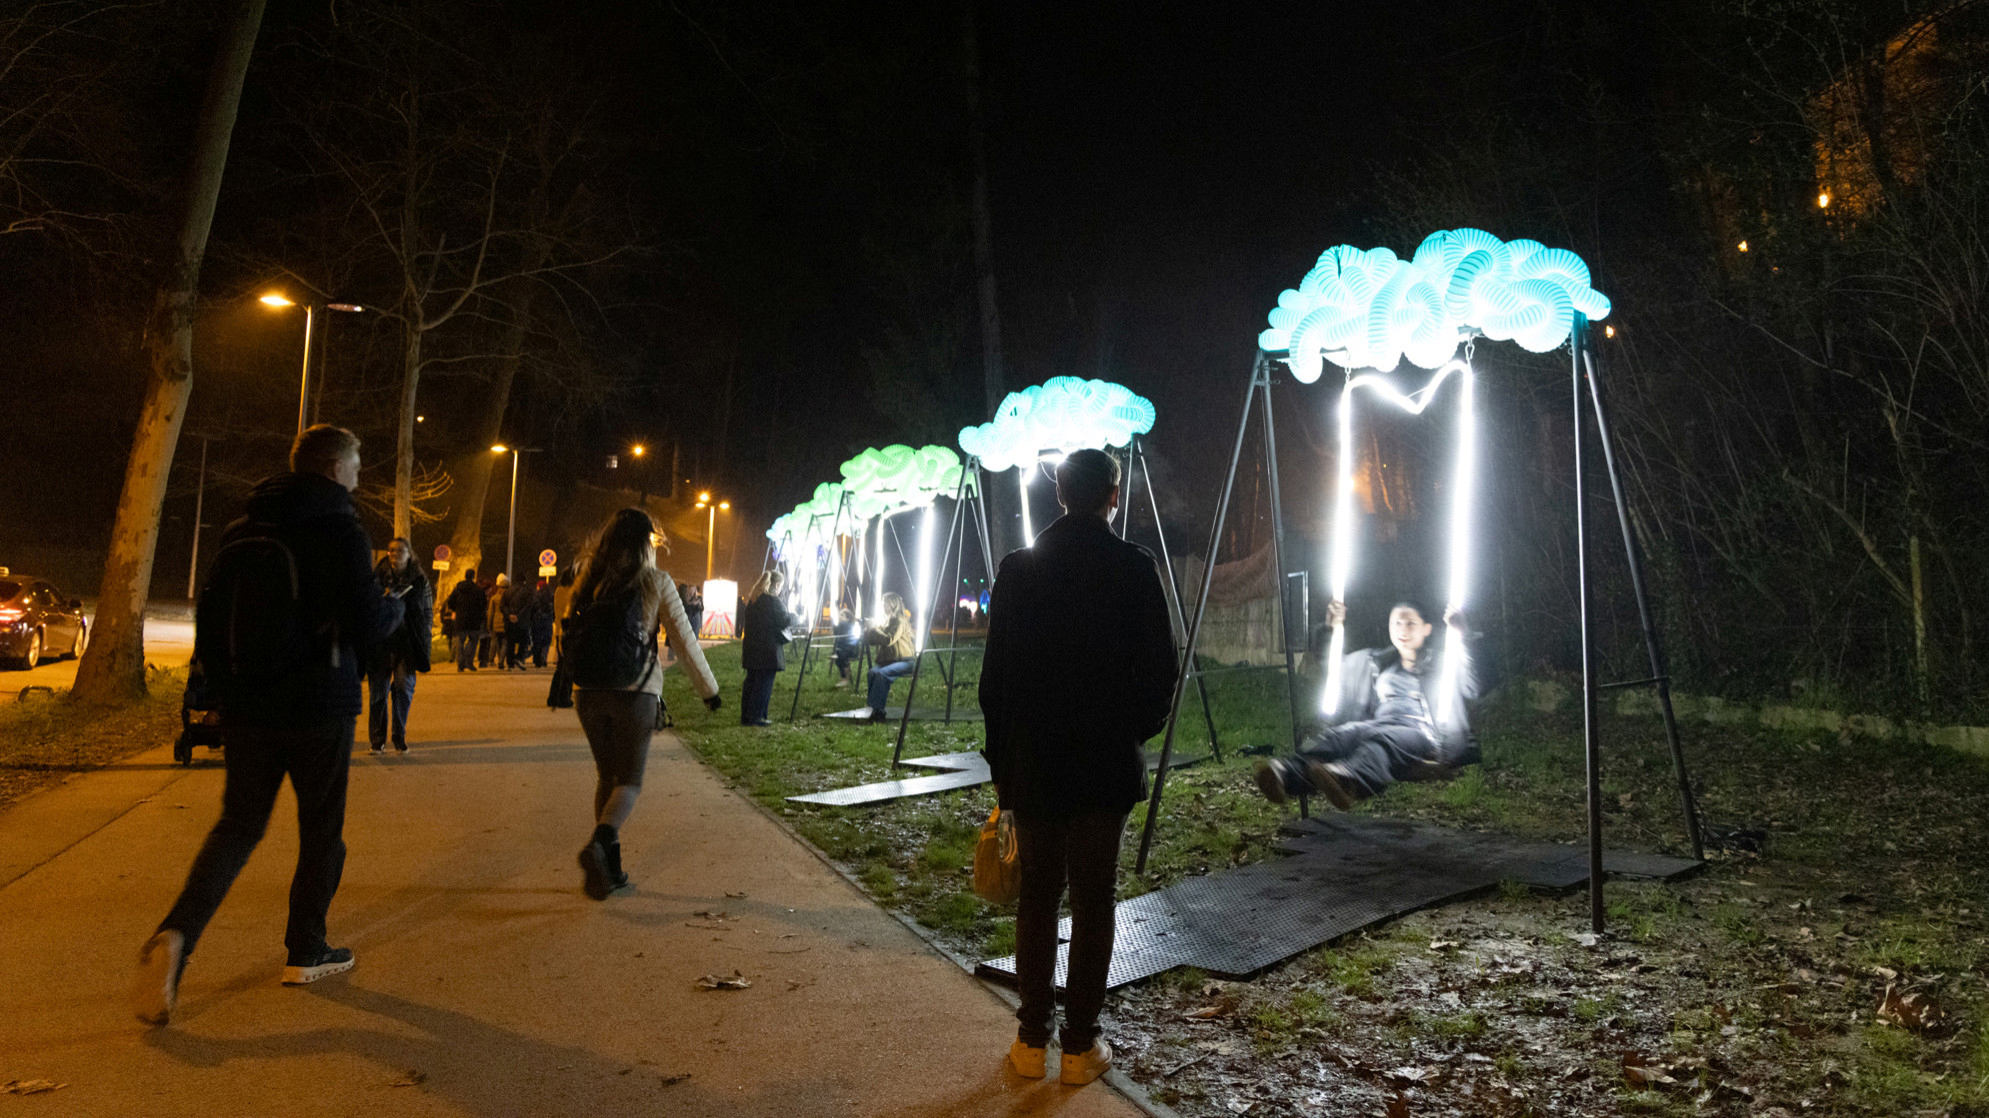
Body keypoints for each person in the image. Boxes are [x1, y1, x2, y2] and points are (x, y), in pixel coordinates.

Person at [132, 424, 403, 1026]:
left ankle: (178, 935)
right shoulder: (340, 528)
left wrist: (219, 695)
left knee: (237, 828)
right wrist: (394, 609)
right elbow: (366, 622)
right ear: (334, 468)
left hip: (249, 708)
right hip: (319, 705)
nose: (359, 476)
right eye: (356, 466)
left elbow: (210, 619)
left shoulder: (243, 528)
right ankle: (307, 949)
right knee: (321, 831)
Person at [563, 509, 721, 900]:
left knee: (606, 777)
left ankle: (611, 870)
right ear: (646, 543)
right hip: (635, 692)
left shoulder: (588, 581)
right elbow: (684, 641)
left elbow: (566, 630)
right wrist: (709, 691)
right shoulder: (655, 580)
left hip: (588, 692)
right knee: (629, 782)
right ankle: (600, 843)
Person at [1253, 600, 1480, 809]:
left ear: (1426, 629)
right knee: (1341, 735)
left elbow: (1475, 683)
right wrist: (1331, 630)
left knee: (1381, 741)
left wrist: (1463, 637)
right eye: (1396, 623)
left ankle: (1350, 780)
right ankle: (1285, 774)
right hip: (1380, 724)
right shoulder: (1377, 662)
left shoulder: (1445, 662)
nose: (1402, 629)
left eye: (1410, 623)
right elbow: (1336, 665)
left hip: (1423, 732)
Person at [367, 538, 432, 753]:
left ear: (409, 553)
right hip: (381, 642)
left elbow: (427, 610)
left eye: (400, 550)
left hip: (407, 643)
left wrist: (425, 634)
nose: (395, 554)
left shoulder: (419, 579)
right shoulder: (377, 577)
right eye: (392, 550)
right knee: (378, 692)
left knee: (404, 688)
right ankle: (377, 739)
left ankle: (398, 734)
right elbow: (368, 606)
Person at [737, 570, 792, 726]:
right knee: (763, 684)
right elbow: (784, 620)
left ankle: (746, 716)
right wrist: (795, 618)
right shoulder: (772, 601)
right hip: (767, 650)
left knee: (751, 681)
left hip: (752, 648)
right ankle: (757, 716)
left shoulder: (754, 599)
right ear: (777, 585)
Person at [858, 592, 916, 722]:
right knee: (872, 673)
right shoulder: (886, 621)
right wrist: (868, 631)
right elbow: (875, 640)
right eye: (883, 603)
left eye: (886, 603)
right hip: (889, 661)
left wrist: (874, 629)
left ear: (893, 605)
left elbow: (888, 640)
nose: (883, 606)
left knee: (882, 674)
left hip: (904, 661)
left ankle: (878, 710)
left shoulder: (899, 621)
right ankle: (875, 708)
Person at [445, 569, 486, 672]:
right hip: (474, 620)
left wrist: (456, 609)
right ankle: (468, 661)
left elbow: (450, 601)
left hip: (461, 619)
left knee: (460, 641)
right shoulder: (478, 590)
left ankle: (460, 663)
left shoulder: (458, 589)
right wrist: (480, 615)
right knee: (473, 640)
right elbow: (483, 604)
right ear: (473, 576)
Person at [501, 572, 536, 669]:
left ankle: (510, 662)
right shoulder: (528, 592)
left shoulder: (507, 591)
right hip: (522, 622)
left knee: (510, 642)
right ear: (524, 581)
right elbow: (529, 606)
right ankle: (519, 657)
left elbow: (502, 606)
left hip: (509, 622)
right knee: (524, 640)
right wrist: (518, 616)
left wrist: (509, 615)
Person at [831, 606, 861, 688]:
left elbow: (837, 631)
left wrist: (834, 624)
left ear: (848, 618)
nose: (839, 617)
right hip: (846, 648)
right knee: (839, 660)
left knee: (840, 659)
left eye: (842, 615)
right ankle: (845, 676)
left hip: (850, 650)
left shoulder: (846, 624)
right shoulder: (846, 624)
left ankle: (844, 679)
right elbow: (837, 634)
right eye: (839, 615)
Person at [530, 577, 555, 668]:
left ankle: (537, 660)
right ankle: (543, 657)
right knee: (546, 640)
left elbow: (532, 608)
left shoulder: (536, 595)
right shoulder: (551, 595)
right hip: (548, 620)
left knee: (537, 640)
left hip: (537, 620)